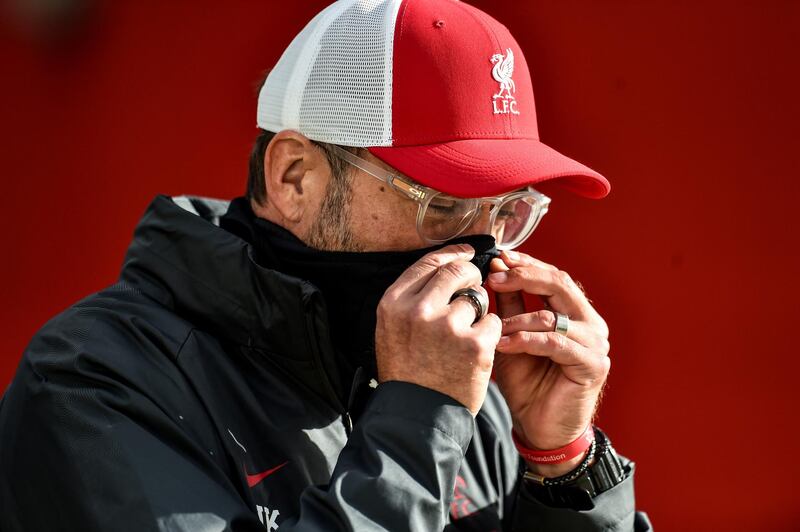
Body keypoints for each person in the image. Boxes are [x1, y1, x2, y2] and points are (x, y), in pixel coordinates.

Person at [0, 0, 651, 530]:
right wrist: (416, 423)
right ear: (294, 176)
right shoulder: (93, 382)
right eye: (446, 206)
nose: (484, 255)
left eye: (506, 212)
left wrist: (562, 468)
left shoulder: (465, 392)